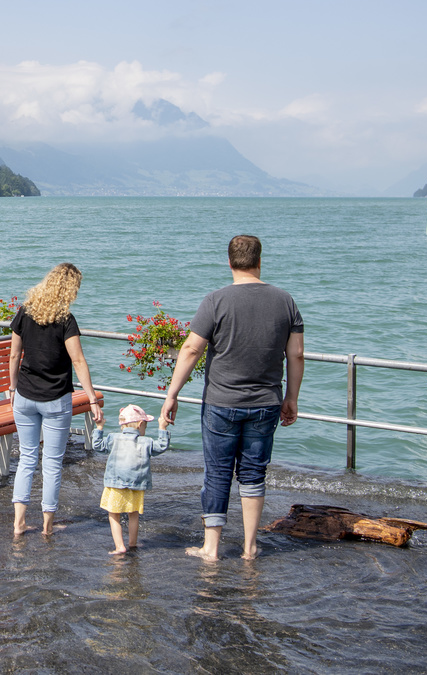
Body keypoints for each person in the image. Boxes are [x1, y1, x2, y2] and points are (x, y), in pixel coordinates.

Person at [160, 235, 304, 561]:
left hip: (221, 403)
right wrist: (292, 397)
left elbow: (192, 349)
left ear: (229, 262)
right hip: (266, 402)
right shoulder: (285, 302)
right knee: (254, 474)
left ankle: (210, 548)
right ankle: (250, 547)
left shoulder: (216, 301)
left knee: (218, 472)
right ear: (259, 261)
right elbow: (296, 356)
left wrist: (172, 395)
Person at [8, 262, 104, 536]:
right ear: (70, 290)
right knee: (51, 463)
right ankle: (48, 526)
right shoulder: (66, 320)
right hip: (55, 400)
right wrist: (92, 400)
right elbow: (78, 360)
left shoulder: (24, 313)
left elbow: (14, 355)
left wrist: (13, 389)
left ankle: (19, 523)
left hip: (25, 396)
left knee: (27, 458)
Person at [91, 404, 171, 555]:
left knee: (114, 514)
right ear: (140, 424)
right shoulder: (146, 442)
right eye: (145, 426)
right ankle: (132, 543)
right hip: (137, 484)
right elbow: (161, 445)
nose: (144, 430)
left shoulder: (113, 438)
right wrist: (162, 427)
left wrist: (99, 427)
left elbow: (97, 446)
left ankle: (119, 546)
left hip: (116, 483)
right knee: (133, 513)